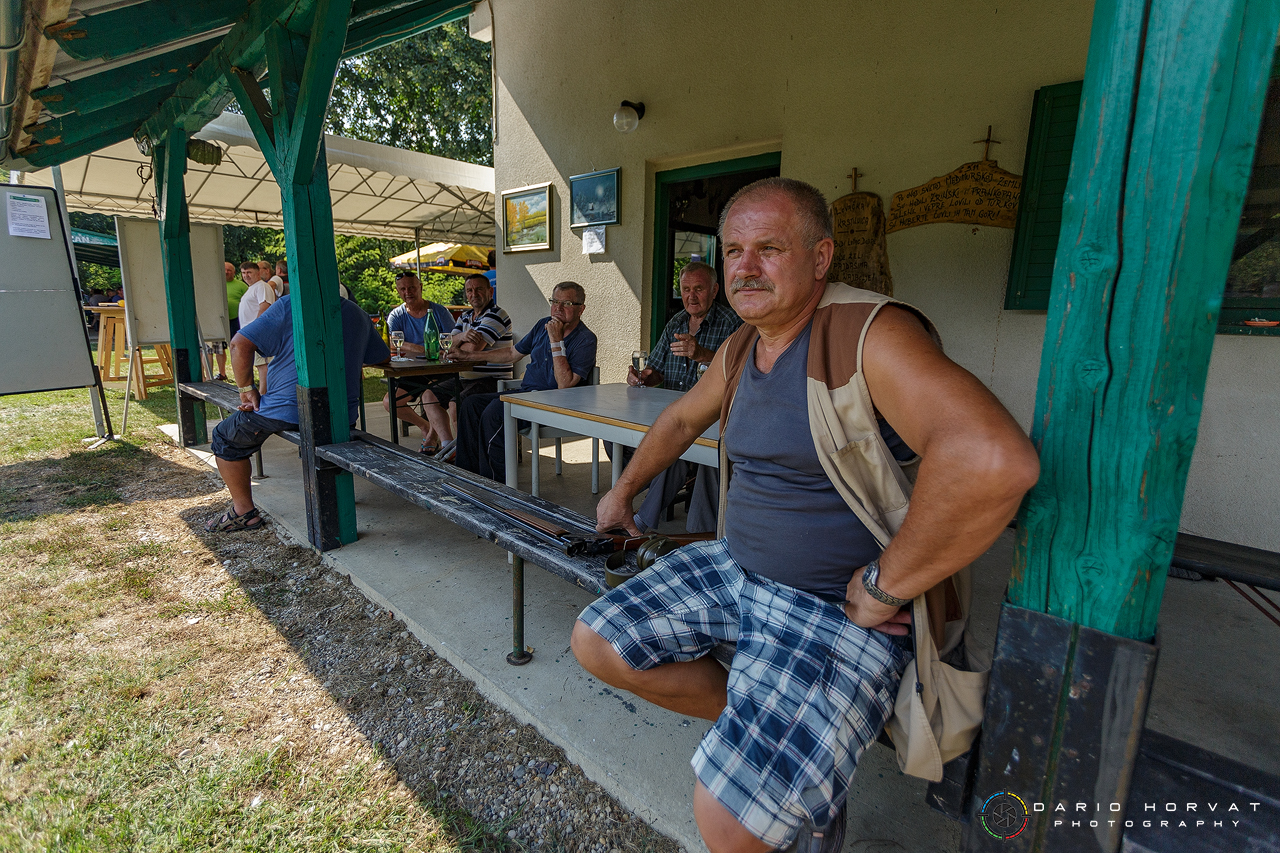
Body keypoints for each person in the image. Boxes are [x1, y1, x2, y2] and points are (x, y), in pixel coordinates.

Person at [571, 178, 1040, 853]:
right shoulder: (739, 348)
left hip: (832, 604)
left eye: (769, 247)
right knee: (600, 640)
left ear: (820, 259)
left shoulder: (867, 333)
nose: (744, 267)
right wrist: (625, 491)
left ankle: (788, 766)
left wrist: (888, 582)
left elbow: (994, 458)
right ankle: (783, 747)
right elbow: (678, 418)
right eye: (733, 250)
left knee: (727, 824)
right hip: (737, 567)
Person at [205, 293, 390, 532]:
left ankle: (243, 512)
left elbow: (239, 344)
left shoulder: (291, 304)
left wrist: (246, 389)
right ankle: (336, 495)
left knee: (224, 437)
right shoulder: (357, 313)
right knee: (324, 435)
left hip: (287, 407)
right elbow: (382, 356)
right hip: (340, 412)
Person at [629, 261, 741, 533]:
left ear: (714, 290)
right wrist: (643, 378)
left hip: (712, 417)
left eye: (699, 289)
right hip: (676, 413)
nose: (691, 296)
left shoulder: (732, 323)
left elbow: (739, 371)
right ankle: (636, 507)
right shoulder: (676, 323)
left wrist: (701, 353)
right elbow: (656, 371)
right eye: (686, 289)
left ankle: (641, 522)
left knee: (675, 448)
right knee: (626, 439)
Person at [453, 281, 597, 483]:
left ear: (581, 309)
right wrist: (468, 357)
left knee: (496, 411)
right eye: (555, 301)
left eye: (567, 304)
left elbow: (564, 384)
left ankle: (495, 484)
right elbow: (512, 353)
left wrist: (556, 341)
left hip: (556, 402)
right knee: (470, 404)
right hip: (526, 394)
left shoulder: (586, 339)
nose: (558, 308)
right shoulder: (542, 325)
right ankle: (466, 476)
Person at [414, 273, 513, 459]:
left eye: (479, 289)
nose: (474, 294)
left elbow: (470, 350)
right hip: (465, 378)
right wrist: (460, 337)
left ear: (490, 292)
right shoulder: (465, 317)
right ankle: (449, 447)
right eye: (469, 290)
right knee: (428, 395)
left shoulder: (497, 314)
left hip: (493, 379)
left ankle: (466, 454)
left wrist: (459, 345)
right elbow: (446, 346)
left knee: (455, 403)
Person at [379, 271, 456, 452]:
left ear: (420, 287)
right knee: (390, 402)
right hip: (412, 371)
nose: (408, 292)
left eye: (412, 287)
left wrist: (409, 347)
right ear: (398, 291)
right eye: (403, 289)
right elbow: (390, 342)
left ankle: (435, 438)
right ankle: (426, 428)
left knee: (432, 397)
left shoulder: (439, 312)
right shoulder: (397, 315)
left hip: (440, 369)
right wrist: (421, 349)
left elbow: (453, 339)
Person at [238, 261, 276, 388]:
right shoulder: (251, 289)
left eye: (249, 272)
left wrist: (256, 331)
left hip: (258, 334)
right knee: (260, 366)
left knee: (263, 366)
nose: (246, 276)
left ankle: (264, 395)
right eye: (243, 273)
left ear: (258, 272)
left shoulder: (262, 287)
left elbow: (264, 308)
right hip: (250, 334)